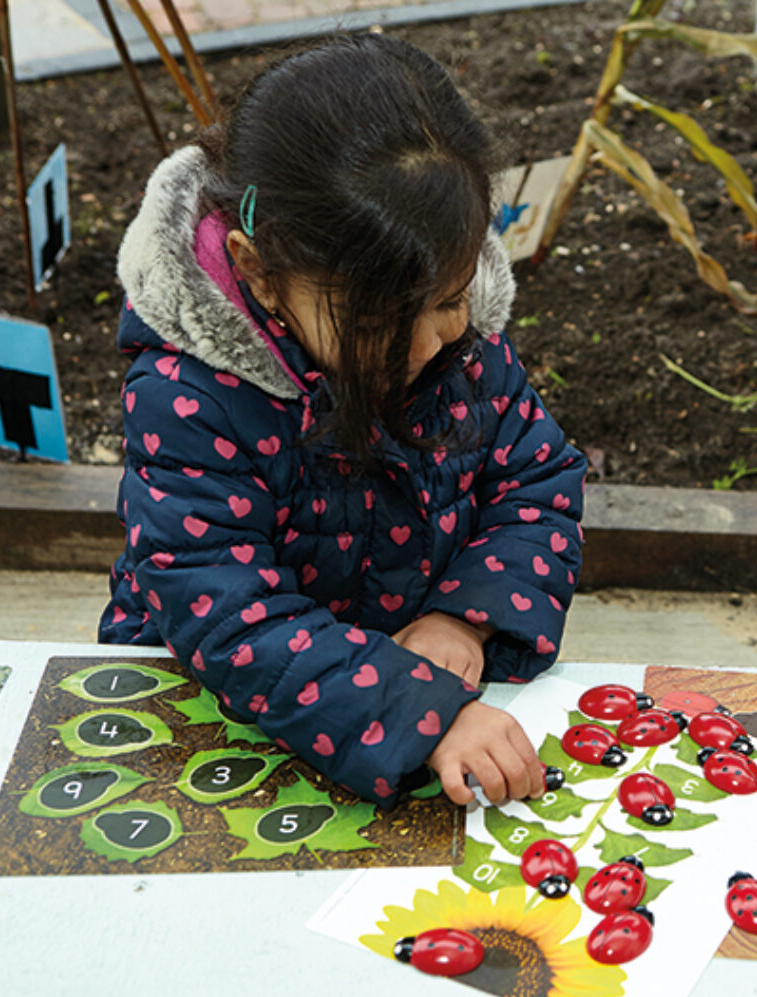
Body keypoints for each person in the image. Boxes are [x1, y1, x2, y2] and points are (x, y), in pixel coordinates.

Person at [99, 35, 586, 810]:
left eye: (451, 299)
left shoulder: (465, 349)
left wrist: (462, 619)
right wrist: (420, 711)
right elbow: (227, 616)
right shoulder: (189, 395)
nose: (431, 345)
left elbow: (537, 482)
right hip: (216, 713)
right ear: (257, 271)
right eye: (383, 325)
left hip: (414, 696)